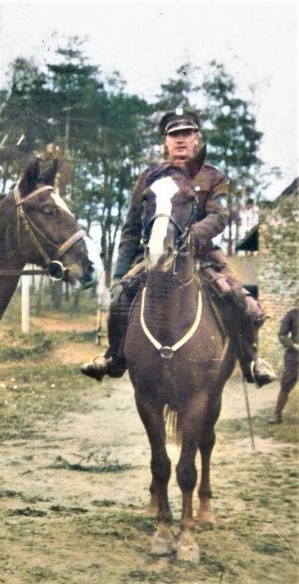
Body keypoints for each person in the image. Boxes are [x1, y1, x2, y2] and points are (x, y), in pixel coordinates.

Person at [80, 108, 277, 387]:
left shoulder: (213, 177)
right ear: (165, 141)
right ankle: (114, 356)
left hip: (202, 254)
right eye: (174, 135)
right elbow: (131, 229)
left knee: (239, 299)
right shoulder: (149, 177)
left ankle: (251, 360)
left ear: (197, 138)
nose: (180, 140)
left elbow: (219, 216)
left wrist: (191, 234)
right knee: (121, 297)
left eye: (187, 133)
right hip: (155, 253)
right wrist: (118, 276)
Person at [272, 308, 298, 424]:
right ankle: (277, 415)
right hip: (294, 355)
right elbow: (282, 335)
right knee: (286, 384)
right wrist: (293, 346)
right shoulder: (292, 314)